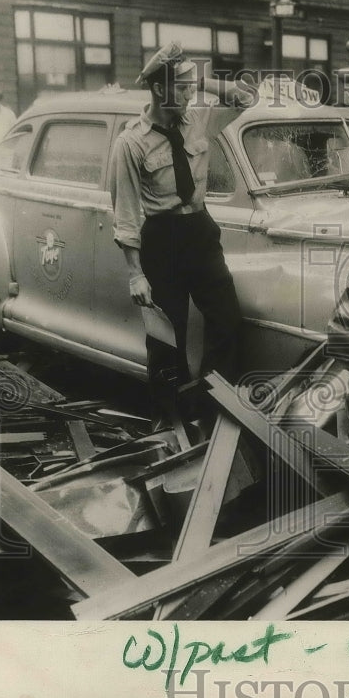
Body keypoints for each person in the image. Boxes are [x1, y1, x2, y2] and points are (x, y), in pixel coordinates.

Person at [109, 42, 246, 422]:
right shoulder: (131, 142)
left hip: (200, 233)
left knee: (227, 320)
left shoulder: (198, 119)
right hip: (161, 240)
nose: (190, 95)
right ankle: (167, 421)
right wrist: (136, 273)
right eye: (181, 88)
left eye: (191, 88)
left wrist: (197, 78)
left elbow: (246, 98)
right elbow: (126, 212)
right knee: (167, 338)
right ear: (158, 89)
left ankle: (211, 409)